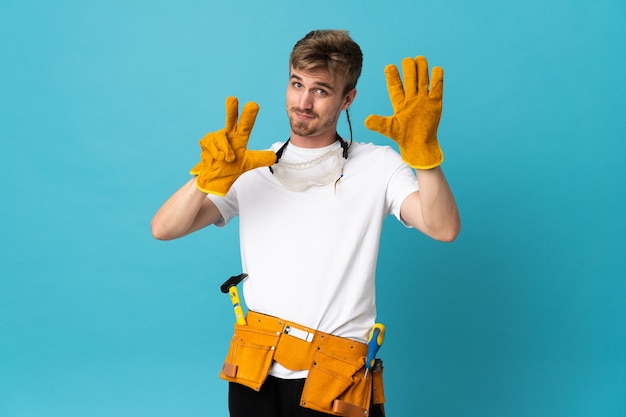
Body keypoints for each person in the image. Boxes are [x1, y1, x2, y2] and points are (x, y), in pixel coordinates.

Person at [151, 29, 460, 417]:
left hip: (336, 377)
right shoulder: (249, 167)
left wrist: (425, 158)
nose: (303, 102)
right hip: (255, 372)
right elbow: (165, 228)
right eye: (297, 84)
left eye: (321, 90)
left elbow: (443, 227)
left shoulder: (378, 165)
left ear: (348, 98)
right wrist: (206, 177)